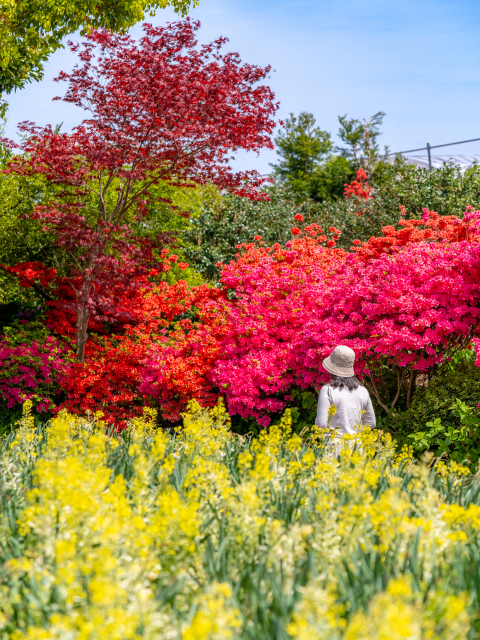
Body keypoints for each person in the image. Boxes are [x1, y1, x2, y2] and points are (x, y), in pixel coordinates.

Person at [315, 346, 376, 446]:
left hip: (333, 446)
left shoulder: (328, 390)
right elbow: (371, 423)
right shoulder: (363, 390)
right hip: (356, 447)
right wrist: (353, 433)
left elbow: (321, 424)